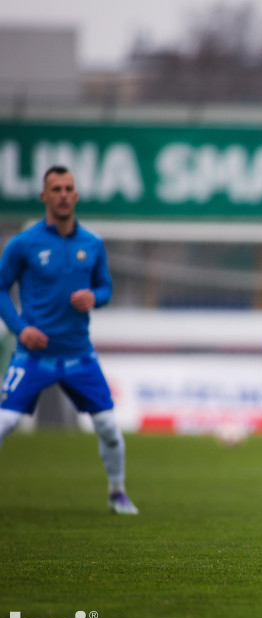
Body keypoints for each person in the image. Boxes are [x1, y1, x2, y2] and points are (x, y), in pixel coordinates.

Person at [0, 165, 137, 514]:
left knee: (108, 426)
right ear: (44, 196)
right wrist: (20, 328)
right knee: (6, 422)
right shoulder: (24, 244)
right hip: (34, 356)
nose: (63, 194)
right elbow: (1, 288)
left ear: (76, 195)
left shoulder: (92, 244)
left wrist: (95, 297)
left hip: (79, 355)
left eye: (68, 188)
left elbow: (105, 287)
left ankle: (117, 493)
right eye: (56, 189)